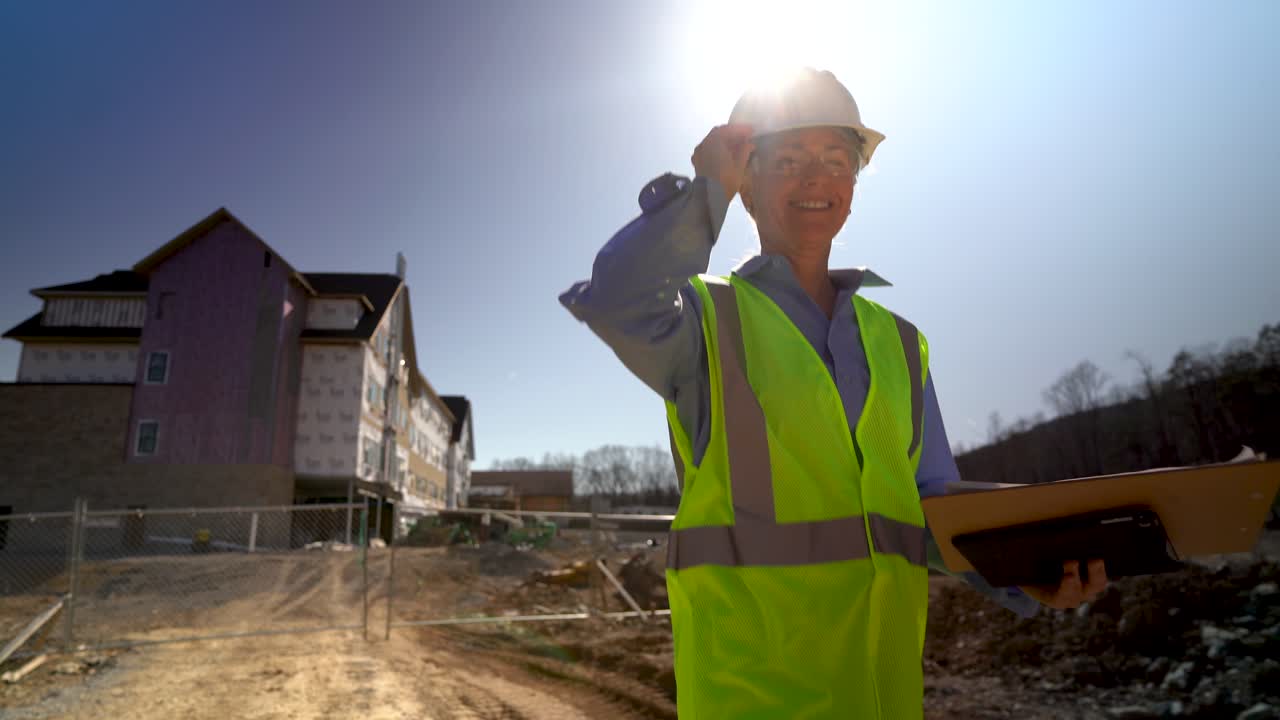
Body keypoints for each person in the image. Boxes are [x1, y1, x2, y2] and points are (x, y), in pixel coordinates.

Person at [560, 68, 1108, 719]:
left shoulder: (901, 343)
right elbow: (619, 299)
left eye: (836, 159)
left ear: (853, 184)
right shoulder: (704, 323)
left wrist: (1026, 571)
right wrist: (707, 189)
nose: (815, 177)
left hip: (882, 695)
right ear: (749, 185)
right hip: (752, 698)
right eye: (787, 159)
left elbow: (928, 510)